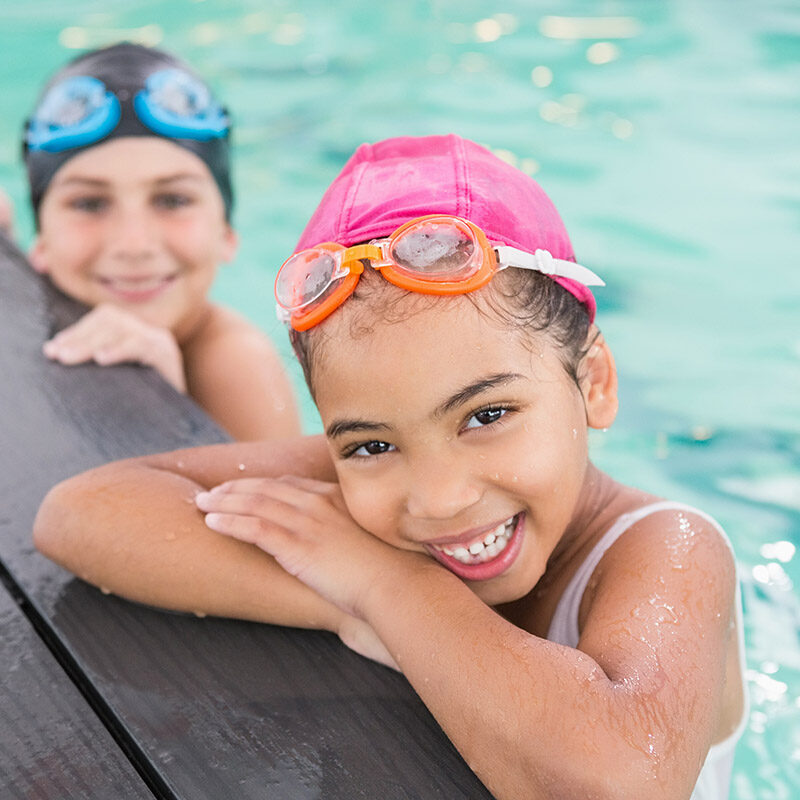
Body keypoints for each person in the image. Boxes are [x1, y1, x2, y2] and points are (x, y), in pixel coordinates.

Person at [34, 134, 747, 799]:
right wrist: (352, 598)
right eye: (369, 444)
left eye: (487, 415)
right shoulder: (370, 479)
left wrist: (390, 588)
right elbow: (82, 513)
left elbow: (620, 781)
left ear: (593, 382)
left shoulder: (669, 548)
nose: (438, 498)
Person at [18, 42, 300, 440]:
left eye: (173, 200)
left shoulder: (236, 363)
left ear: (226, 233)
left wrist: (161, 409)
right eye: (89, 203)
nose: (134, 244)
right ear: (41, 240)